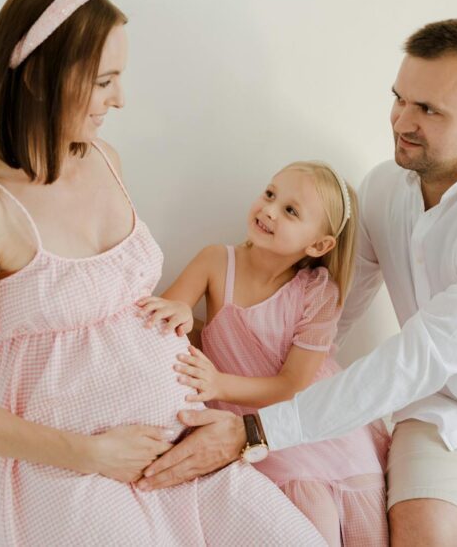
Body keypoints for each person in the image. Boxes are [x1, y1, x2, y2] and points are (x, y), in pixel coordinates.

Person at [138, 19, 457, 547]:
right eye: (400, 99)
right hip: (444, 408)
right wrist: (239, 382)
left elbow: (421, 354)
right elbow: (332, 318)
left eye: (429, 110)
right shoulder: (384, 190)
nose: (402, 121)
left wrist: (257, 432)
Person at [0, 0, 325, 544]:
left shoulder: (106, 158)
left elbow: (120, 308)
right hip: (73, 466)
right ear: (37, 75)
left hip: (182, 441)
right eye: (104, 81)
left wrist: (181, 328)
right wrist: (92, 454)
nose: (120, 99)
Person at [137, 161, 390, 545]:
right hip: (262, 435)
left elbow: (291, 385)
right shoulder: (216, 261)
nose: (269, 210)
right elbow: (166, 318)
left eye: (291, 211)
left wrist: (218, 383)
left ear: (319, 245)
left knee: (365, 533)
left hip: (313, 421)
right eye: (270, 194)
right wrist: (181, 312)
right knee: (313, 526)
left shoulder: (318, 292)